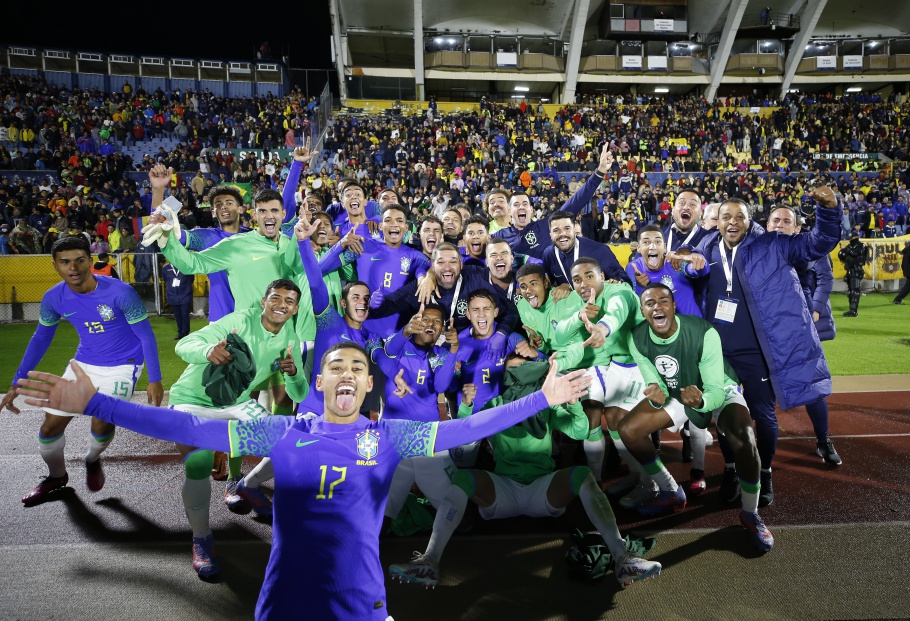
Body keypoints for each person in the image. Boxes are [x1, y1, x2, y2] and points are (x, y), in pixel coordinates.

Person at [16, 343, 592, 621]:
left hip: (362, 605)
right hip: (285, 602)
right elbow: (188, 423)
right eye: (336, 367)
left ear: (369, 386)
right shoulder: (282, 432)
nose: (346, 374)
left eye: (357, 369)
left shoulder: (391, 437)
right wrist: (102, 405)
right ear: (320, 381)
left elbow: (466, 426)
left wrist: (542, 399)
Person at [390, 354, 662, 589]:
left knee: (582, 475)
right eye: (513, 372)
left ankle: (621, 558)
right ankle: (430, 561)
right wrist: (466, 407)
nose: (520, 377)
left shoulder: (545, 406)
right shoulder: (496, 407)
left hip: (541, 489)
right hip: (503, 491)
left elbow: (580, 431)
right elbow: (464, 455)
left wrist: (572, 404)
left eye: (525, 370)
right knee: (464, 478)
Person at [673, 187, 842, 507]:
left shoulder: (772, 245)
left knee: (764, 416)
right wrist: (684, 260)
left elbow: (819, 242)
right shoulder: (706, 244)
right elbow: (679, 262)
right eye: (726, 217)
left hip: (757, 352)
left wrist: (830, 209)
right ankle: (733, 469)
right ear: (716, 222)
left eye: (740, 217)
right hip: (717, 352)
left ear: (751, 222)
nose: (732, 222)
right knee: (723, 415)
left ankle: (764, 472)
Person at [165, 279, 310, 579]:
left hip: (237, 403)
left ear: (295, 309)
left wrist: (294, 374)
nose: (281, 304)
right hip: (191, 400)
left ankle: (249, 485)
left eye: (289, 301)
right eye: (275, 297)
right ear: (263, 300)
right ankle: (202, 539)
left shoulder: (291, 338)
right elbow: (184, 344)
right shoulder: (238, 321)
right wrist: (208, 352)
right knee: (200, 462)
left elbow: (299, 394)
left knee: (293, 446)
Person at [1, 237, 163, 506]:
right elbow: (40, 339)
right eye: (65, 262)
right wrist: (17, 381)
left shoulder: (121, 292)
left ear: (90, 260)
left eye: (79, 260)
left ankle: (92, 459)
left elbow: (146, 336)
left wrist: (154, 380)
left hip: (123, 366)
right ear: (55, 265)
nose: (73, 267)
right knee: (50, 427)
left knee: (101, 419)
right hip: (83, 364)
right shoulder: (53, 297)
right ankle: (56, 477)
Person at [619, 284, 773, 551]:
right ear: (643, 311)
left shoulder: (703, 332)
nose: (657, 306)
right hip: (678, 392)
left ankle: (750, 513)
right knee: (629, 429)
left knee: (746, 441)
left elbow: (713, 389)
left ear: (673, 305)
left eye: (663, 301)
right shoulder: (636, 337)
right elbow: (654, 377)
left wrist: (702, 402)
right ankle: (670, 491)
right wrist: (655, 390)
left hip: (715, 388)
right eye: (650, 303)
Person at [767, 206, 841, 466]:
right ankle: (761, 451)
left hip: (800, 327)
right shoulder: (758, 248)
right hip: (767, 330)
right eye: (775, 220)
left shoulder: (809, 247)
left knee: (811, 386)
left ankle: (823, 439)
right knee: (759, 390)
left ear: (797, 228)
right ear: (766, 225)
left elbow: (826, 278)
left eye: (786, 221)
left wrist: (816, 310)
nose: (780, 224)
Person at [149, 165, 251, 321]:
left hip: (254, 320)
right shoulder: (206, 237)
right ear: (213, 213)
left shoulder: (255, 238)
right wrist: (158, 190)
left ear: (241, 209)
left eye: (229, 202)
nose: (223, 206)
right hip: (221, 323)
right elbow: (163, 230)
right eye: (218, 205)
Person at [838, 234, 870, 317]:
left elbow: (856, 254)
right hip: (849, 269)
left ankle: (853, 311)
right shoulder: (850, 246)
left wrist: (846, 249)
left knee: (855, 290)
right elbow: (843, 255)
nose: (850, 240)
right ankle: (851, 309)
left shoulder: (861, 246)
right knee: (850, 291)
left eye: (851, 238)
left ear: (855, 237)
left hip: (856, 269)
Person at [162, 258, 194, 341]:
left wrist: (185, 288)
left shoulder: (186, 266)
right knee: (177, 316)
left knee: (184, 314)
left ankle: (185, 333)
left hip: (185, 294)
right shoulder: (166, 268)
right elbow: (165, 279)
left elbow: (191, 279)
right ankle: (180, 333)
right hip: (173, 295)